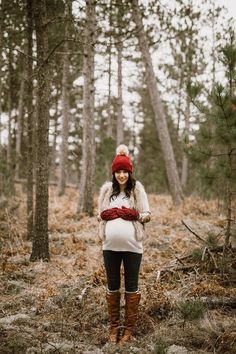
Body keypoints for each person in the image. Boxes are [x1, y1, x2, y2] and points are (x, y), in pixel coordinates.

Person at [97, 144, 151, 345]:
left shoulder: (137, 190)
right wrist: (104, 214)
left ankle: (128, 330)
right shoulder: (107, 191)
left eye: (124, 171)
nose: (121, 175)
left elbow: (147, 214)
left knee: (131, 287)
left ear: (129, 172)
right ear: (114, 173)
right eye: (118, 171)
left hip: (133, 248)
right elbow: (99, 214)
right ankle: (114, 328)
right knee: (112, 288)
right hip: (109, 248)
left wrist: (135, 215)